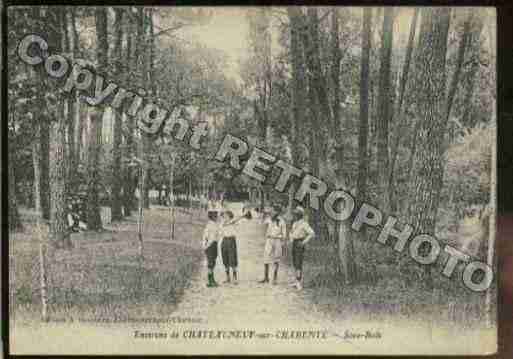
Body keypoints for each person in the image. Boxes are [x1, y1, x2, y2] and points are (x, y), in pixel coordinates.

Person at [259, 204, 286, 285]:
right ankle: (266, 277)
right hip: (269, 240)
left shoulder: (281, 221)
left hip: (277, 241)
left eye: (273, 211)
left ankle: (275, 278)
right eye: (271, 210)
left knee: (276, 259)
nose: (271, 212)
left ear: (277, 212)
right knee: (266, 257)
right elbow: (261, 224)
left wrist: (279, 238)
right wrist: (263, 215)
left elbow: (284, 235)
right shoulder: (269, 219)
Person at [289, 206, 315, 290]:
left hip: (300, 243)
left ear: (300, 215)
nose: (295, 215)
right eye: (295, 214)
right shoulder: (295, 223)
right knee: (294, 262)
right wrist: (291, 238)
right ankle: (296, 281)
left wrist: (304, 242)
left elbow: (312, 233)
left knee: (298, 262)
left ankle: (299, 282)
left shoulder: (304, 224)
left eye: (296, 214)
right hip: (294, 243)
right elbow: (292, 232)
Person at [220, 210, 239, 284]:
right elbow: (221, 230)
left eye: (226, 216)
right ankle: (227, 277)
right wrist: (225, 223)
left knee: (232, 259)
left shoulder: (234, 222)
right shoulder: (222, 223)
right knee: (225, 259)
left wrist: (232, 221)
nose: (225, 217)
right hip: (224, 240)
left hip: (231, 240)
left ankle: (235, 278)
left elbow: (235, 220)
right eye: (224, 216)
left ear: (230, 216)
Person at [202, 210, 220, 288]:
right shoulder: (210, 225)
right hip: (211, 245)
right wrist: (206, 246)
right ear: (213, 217)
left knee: (212, 263)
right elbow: (206, 236)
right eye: (216, 216)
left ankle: (211, 280)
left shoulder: (214, 224)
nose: (217, 217)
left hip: (214, 244)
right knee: (210, 263)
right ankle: (210, 281)